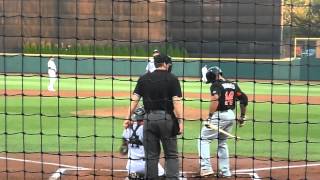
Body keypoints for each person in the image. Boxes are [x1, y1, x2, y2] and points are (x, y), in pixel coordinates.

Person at [124, 54, 183, 179]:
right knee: (171, 155)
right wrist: (180, 122)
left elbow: (134, 100)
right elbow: (176, 101)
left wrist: (127, 118)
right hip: (167, 119)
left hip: (148, 119)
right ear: (166, 64)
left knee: (151, 156)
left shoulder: (144, 78)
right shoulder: (172, 78)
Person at [198, 66, 248, 177]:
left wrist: (209, 117)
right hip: (231, 116)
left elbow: (215, 99)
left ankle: (206, 168)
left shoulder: (215, 85)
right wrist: (242, 116)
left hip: (219, 116)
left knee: (204, 139)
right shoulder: (233, 84)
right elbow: (244, 99)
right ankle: (225, 171)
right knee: (222, 143)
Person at [122, 107, 165, 179]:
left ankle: (133, 177)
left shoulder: (127, 129)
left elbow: (124, 146)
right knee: (162, 176)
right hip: (146, 164)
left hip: (131, 166)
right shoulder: (147, 129)